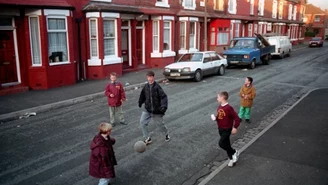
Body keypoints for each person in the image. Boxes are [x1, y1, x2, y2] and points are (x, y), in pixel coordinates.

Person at [138, 71, 170, 145]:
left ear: (153, 77)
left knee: (160, 125)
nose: (149, 78)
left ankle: (166, 134)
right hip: (148, 109)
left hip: (156, 110)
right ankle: (147, 138)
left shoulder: (157, 87)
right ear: (147, 77)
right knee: (142, 122)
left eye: (151, 77)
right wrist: (140, 102)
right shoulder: (146, 87)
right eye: (148, 77)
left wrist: (163, 106)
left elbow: (164, 97)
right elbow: (142, 95)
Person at [211, 91, 241, 167]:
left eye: (218, 97)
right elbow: (220, 117)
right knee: (227, 144)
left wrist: (235, 127)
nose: (217, 98)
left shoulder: (229, 108)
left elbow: (237, 118)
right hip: (220, 129)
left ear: (222, 98)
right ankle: (231, 159)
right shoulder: (220, 107)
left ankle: (234, 152)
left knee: (221, 143)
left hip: (227, 129)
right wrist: (215, 118)